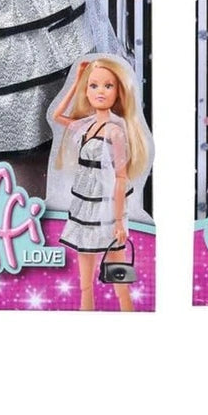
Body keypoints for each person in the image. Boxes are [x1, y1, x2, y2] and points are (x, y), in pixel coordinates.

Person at [52, 56, 152, 311]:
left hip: (106, 206)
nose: (100, 91)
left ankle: (127, 309)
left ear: (118, 92)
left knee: (118, 270)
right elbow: (56, 115)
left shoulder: (115, 131)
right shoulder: (86, 126)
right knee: (85, 273)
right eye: (94, 86)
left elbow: (120, 177)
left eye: (108, 86)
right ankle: (86, 310)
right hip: (84, 204)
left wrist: (119, 221)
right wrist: (77, 82)